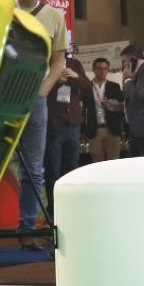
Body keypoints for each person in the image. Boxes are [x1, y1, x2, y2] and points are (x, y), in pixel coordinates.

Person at [0, 0, 67, 247]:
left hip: (35, 100)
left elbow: (59, 60)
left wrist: (44, 90)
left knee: (33, 168)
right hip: (0, 99)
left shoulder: (53, 17)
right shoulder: (4, 12)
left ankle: (28, 229)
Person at [43, 47, 89, 225]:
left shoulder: (75, 64)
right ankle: (54, 211)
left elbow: (86, 87)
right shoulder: (47, 65)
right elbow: (40, 92)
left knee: (71, 170)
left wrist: (74, 77)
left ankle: (72, 210)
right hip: (54, 125)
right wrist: (55, 81)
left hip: (73, 124)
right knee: (53, 170)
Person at [82, 56, 124, 164]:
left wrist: (111, 104)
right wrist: (84, 130)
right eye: (99, 68)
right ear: (94, 70)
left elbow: (122, 106)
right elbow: (83, 109)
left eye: (105, 68)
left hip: (112, 129)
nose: (102, 71)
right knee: (97, 164)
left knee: (114, 163)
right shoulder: (86, 87)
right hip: (94, 130)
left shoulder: (114, 87)